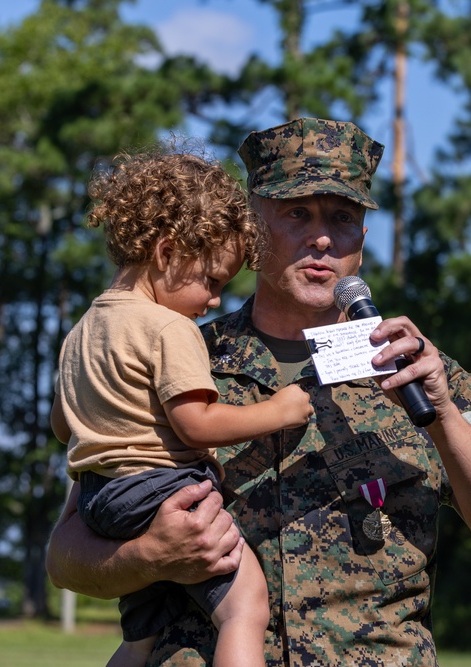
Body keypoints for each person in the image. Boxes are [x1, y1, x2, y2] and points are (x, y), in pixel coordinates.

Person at [47, 118, 471, 666]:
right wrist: (149, 555)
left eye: (344, 217)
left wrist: (444, 416)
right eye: (296, 213)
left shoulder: (415, 370)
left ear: (362, 237)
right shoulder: (174, 353)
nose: (323, 238)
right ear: (251, 232)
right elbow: (66, 555)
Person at [49, 149, 314, 667]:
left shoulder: (82, 330)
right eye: (212, 280)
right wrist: (280, 411)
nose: (215, 300)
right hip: (160, 486)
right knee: (245, 608)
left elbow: (64, 425)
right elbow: (196, 425)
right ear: (167, 253)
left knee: (142, 636)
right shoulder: (169, 327)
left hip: (102, 500)